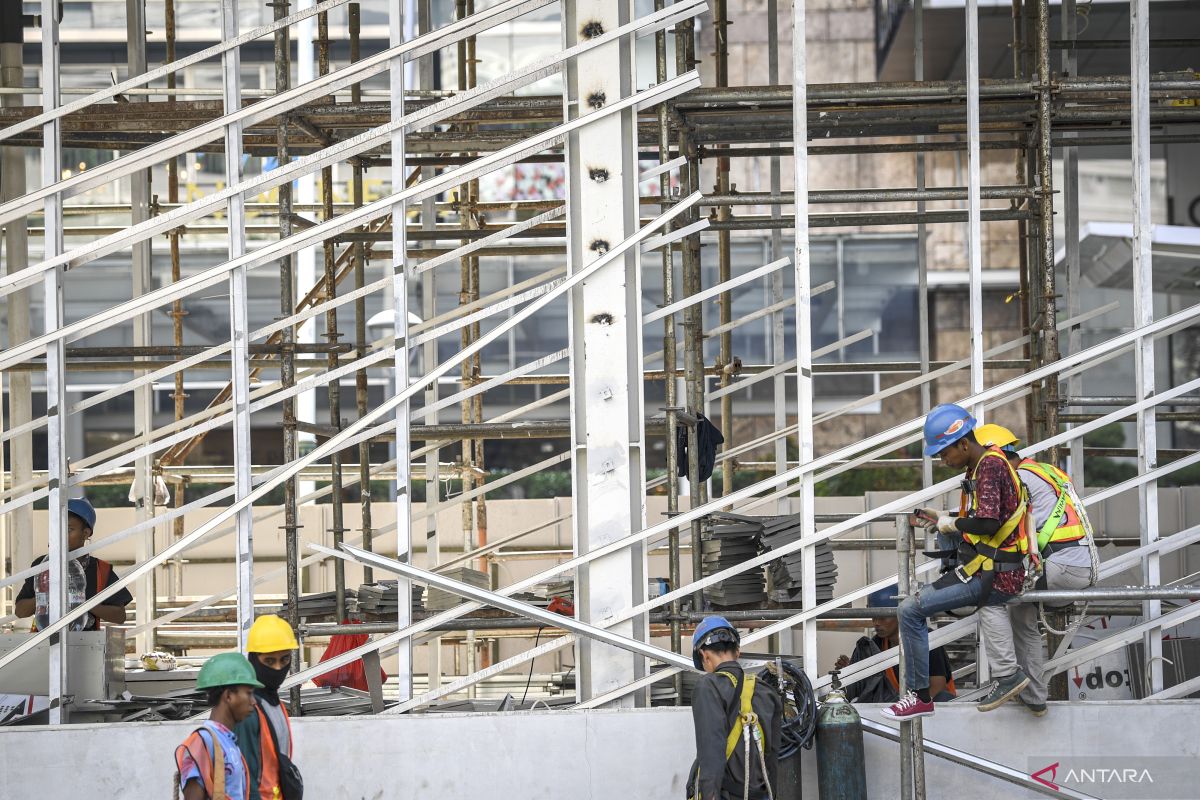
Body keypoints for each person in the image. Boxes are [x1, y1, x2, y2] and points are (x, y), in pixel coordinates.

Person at [881, 403, 1035, 721]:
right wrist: (945, 518)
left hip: (996, 574)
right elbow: (989, 517)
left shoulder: (990, 467)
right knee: (915, 605)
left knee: (909, 610)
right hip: (989, 567)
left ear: (964, 443)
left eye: (944, 453)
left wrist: (952, 524)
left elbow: (989, 524)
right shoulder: (982, 466)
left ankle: (919, 696)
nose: (943, 460)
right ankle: (1007, 676)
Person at [974, 423, 1099, 717]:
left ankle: (1015, 682)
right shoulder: (1045, 470)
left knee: (993, 596)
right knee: (1021, 613)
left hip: (1060, 565)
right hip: (1080, 562)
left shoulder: (1017, 479)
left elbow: (1002, 529)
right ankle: (1033, 697)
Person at [687, 616, 782, 800]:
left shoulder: (708, 686)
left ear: (704, 656)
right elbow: (773, 757)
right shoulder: (767, 691)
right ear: (737, 652)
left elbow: (711, 751)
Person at [13, 497, 132, 629]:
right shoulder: (42, 565)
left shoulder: (100, 570)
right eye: (57, 528)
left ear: (86, 533)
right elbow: (20, 611)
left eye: (69, 529)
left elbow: (120, 616)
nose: (60, 534)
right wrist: (46, 597)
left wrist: (82, 603)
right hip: (45, 642)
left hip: (85, 644)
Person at [834, 585, 957, 704]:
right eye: (873, 617)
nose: (876, 623)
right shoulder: (877, 643)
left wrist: (910, 708)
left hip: (932, 709)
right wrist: (851, 671)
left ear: (900, 614)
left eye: (882, 617)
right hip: (897, 705)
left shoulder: (926, 639)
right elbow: (873, 685)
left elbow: (937, 688)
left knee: (943, 697)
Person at [175, 652, 263, 800]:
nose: (253, 701)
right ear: (228, 696)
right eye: (248, 693)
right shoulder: (202, 742)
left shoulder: (226, 741)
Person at [234, 614, 303, 800]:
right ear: (254, 660)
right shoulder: (248, 711)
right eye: (269, 661)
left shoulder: (276, 704)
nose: (278, 668)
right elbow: (245, 778)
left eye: (285, 660)